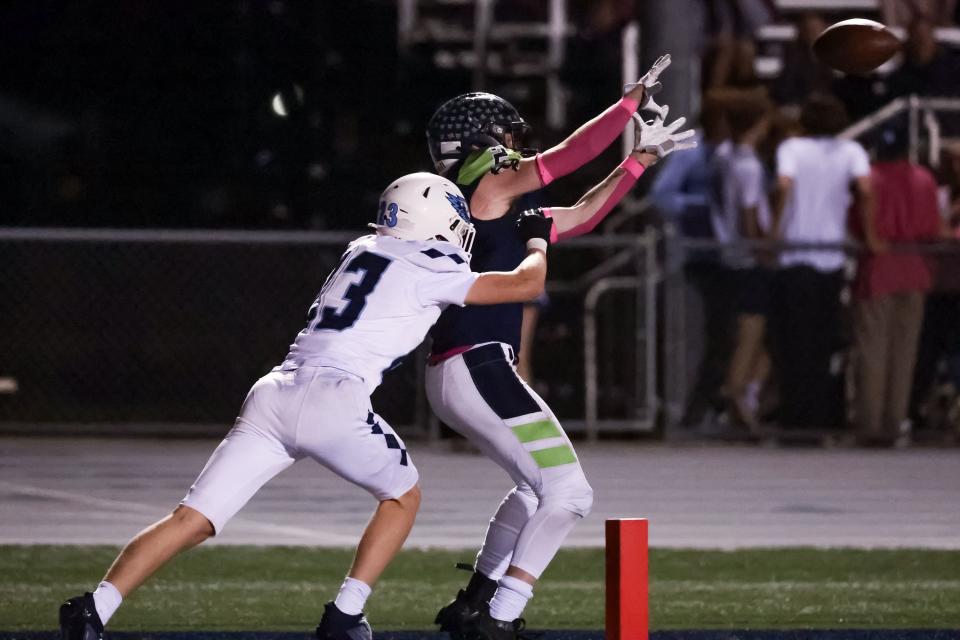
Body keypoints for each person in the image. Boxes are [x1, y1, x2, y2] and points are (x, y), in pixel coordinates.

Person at [58, 172, 556, 640]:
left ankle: (93, 608)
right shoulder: (432, 263)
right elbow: (525, 285)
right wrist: (537, 240)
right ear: (432, 223)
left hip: (275, 391)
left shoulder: (360, 248)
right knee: (403, 496)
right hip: (335, 396)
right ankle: (345, 615)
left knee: (192, 518)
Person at [423, 58, 695, 640]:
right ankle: (501, 617)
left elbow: (580, 215)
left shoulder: (487, 204)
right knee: (570, 493)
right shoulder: (489, 184)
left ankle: (475, 602)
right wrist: (624, 107)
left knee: (533, 489)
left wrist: (637, 161)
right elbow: (567, 157)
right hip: (476, 359)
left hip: (463, 363)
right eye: (508, 137)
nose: (518, 148)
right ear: (484, 140)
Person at [770, 94, 881, 431]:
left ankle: (795, 419)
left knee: (793, 343)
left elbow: (784, 185)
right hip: (830, 256)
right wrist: (871, 235)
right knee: (822, 343)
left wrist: (775, 230)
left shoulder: (791, 149)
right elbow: (866, 190)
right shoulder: (852, 152)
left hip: (795, 253)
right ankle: (820, 419)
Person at [852, 126, 946, 446]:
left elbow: (855, 223)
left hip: (879, 267)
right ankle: (894, 423)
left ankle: (870, 425)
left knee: (872, 350)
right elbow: (934, 227)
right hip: (916, 266)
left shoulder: (869, 179)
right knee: (904, 353)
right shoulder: (924, 179)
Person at [708, 95, 774, 432]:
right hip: (748, 257)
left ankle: (746, 394)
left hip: (732, 256)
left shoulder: (725, 157)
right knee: (751, 332)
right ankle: (735, 392)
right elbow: (750, 215)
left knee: (757, 335)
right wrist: (764, 248)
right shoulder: (747, 164)